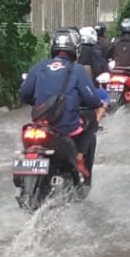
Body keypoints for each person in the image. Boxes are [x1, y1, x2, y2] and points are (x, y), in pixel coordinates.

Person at [19, 29, 104, 184]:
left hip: (39, 126)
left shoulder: (39, 67)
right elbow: (93, 102)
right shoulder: (78, 70)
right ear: (76, 50)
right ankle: (81, 163)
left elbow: (24, 94)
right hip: (65, 129)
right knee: (92, 117)